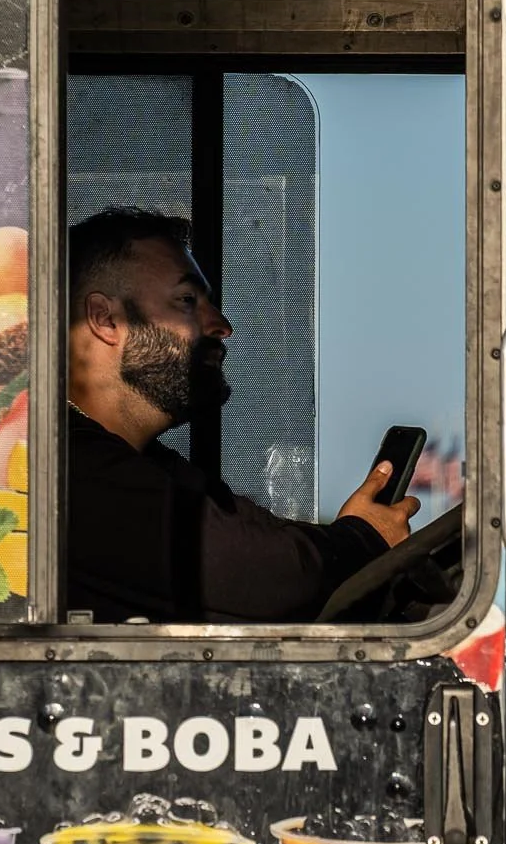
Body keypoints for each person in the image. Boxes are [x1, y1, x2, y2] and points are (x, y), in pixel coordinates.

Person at [64, 207, 418, 623]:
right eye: (186, 301)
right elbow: (273, 579)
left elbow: (262, 541)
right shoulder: (70, 473)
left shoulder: (152, 469)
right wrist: (364, 539)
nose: (220, 325)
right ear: (106, 319)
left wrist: (356, 534)